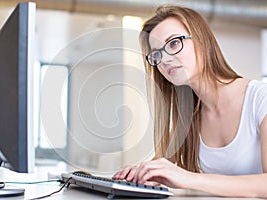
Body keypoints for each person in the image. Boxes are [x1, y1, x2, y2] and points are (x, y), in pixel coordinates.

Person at [112, 4, 267, 198]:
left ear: (202, 40)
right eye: (157, 54)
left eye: (174, 43)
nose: (165, 60)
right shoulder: (189, 116)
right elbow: (165, 171)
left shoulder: (260, 98)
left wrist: (189, 178)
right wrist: (141, 174)